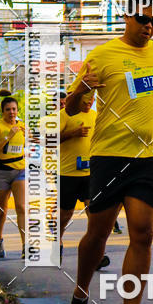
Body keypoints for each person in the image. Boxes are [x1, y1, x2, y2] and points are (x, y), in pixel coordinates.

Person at [64, 0, 153, 304]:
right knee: (97, 235)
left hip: (149, 157)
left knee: (143, 233)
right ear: (126, 16)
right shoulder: (101, 56)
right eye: (143, 20)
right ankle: (81, 293)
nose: (149, 27)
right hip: (109, 156)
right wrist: (81, 89)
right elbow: (72, 108)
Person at [0, 90, 26, 259]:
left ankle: (26, 246)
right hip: (1, 171)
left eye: (14, 109)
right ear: (3, 111)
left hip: (19, 170)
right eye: (8, 109)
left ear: (18, 110)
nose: (12, 112)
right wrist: (9, 136)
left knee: (22, 207)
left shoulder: (22, 125)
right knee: (2, 209)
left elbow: (29, 142)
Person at [58, 93, 96, 262]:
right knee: (65, 214)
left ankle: (95, 252)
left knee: (94, 213)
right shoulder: (64, 114)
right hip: (67, 173)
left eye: (92, 99)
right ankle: (56, 242)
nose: (89, 102)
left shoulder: (96, 115)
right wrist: (72, 133)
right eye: (85, 98)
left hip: (90, 173)